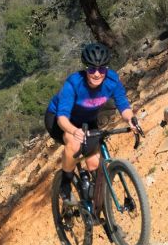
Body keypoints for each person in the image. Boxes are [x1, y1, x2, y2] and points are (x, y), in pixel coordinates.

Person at [45, 42, 137, 200]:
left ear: (106, 69)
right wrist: (74, 131)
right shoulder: (73, 84)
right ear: (85, 68)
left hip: (87, 120)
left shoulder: (112, 81)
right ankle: (65, 183)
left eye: (101, 69)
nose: (96, 74)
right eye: (91, 69)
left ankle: (98, 207)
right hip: (60, 120)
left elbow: (123, 105)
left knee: (94, 164)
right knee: (73, 144)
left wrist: (131, 119)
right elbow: (62, 118)